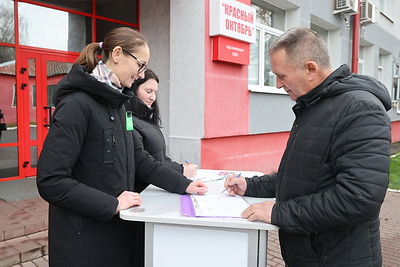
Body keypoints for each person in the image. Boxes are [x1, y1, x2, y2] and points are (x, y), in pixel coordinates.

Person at [36, 27, 207, 267]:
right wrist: (113, 204)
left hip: (114, 235)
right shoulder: (77, 105)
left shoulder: (119, 105)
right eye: (140, 65)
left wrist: (183, 185)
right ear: (117, 54)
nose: (141, 74)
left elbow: (138, 158)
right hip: (83, 244)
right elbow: (51, 181)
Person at [224, 27, 391, 267]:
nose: (279, 84)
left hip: (338, 258)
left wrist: (279, 212)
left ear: (310, 69)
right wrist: (250, 185)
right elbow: (302, 176)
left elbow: (358, 198)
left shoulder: (359, 109)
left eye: (282, 76)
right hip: (312, 254)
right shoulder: (315, 105)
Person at [126, 69, 197, 193]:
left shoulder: (146, 119)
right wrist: (180, 171)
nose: (152, 97)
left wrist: (179, 168)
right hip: (142, 193)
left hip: (153, 188)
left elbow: (160, 158)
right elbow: (143, 163)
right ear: (134, 89)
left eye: (155, 92)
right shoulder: (128, 121)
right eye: (148, 91)